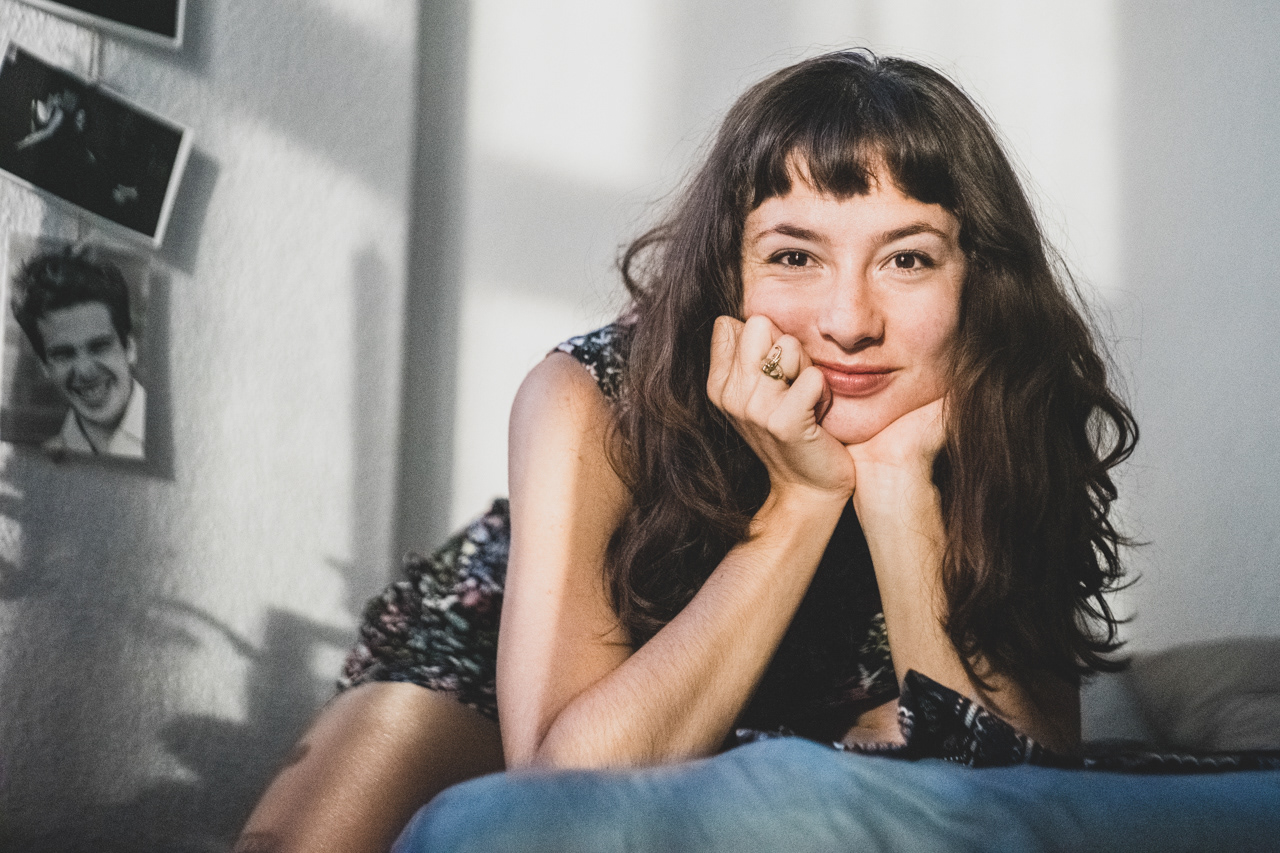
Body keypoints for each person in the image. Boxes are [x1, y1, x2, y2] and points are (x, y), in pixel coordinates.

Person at [236, 50, 1135, 853]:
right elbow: (553, 795)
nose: (849, 322)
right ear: (728, 274)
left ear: (978, 277)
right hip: (523, 663)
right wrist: (801, 499)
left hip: (824, 698)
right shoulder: (594, 393)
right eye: (794, 257)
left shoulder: (1010, 401)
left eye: (907, 260)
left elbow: (1027, 784)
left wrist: (899, 487)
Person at [10, 246, 147, 459]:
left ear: (129, 348)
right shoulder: (46, 462)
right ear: (45, 367)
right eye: (63, 354)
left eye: (99, 346)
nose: (85, 371)